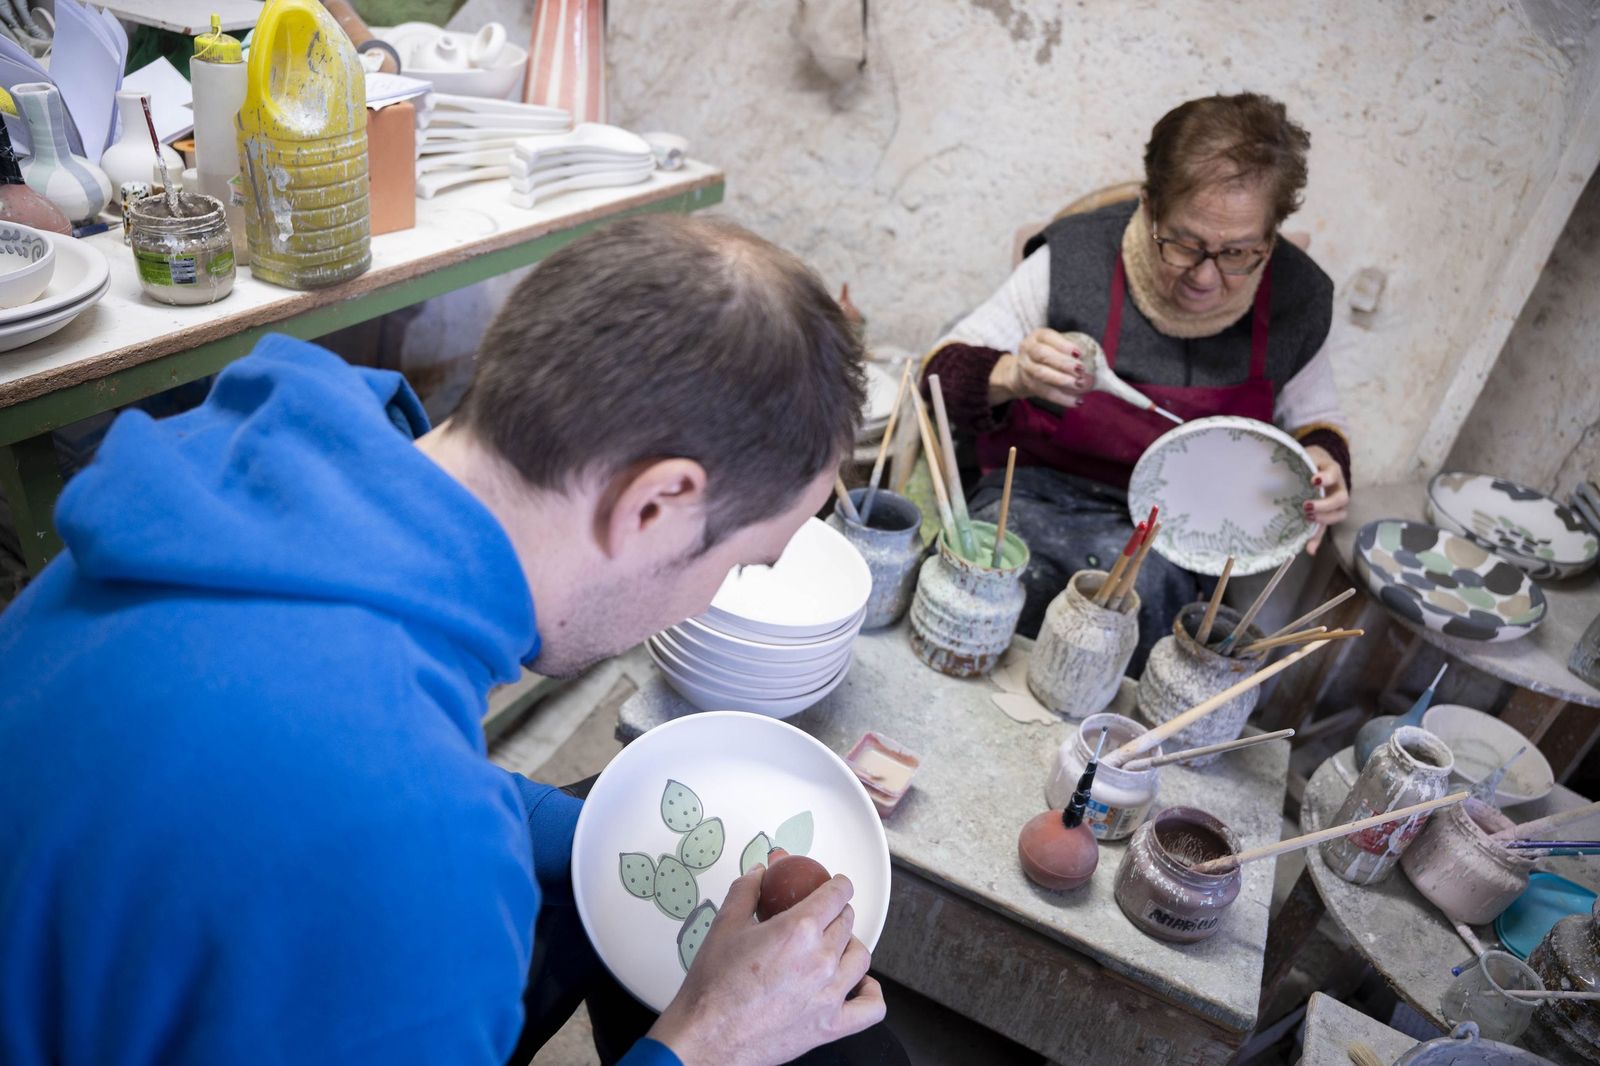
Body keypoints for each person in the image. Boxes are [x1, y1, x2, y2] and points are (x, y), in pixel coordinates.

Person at [0, 216, 901, 1066]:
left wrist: (542, 818)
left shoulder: (260, 447)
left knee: (597, 824)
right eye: (744, 564)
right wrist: (705, 1040)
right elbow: (349, 809)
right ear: (654, 506)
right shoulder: (417, 861)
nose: (720, 592)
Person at [923, 93, 1353, 667]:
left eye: (1237, 252)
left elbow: (1318, 422)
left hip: (1174, 534)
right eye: (1184, 242)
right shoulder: (1078, 257)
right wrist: (1012, 373)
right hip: (1032, 497)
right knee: (983, 594)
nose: (1205, 276)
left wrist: (1324, 465)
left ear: (1271, 236)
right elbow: (936, 374)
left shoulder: (1296, 298)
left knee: (1133, 622)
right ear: (1149, 206)